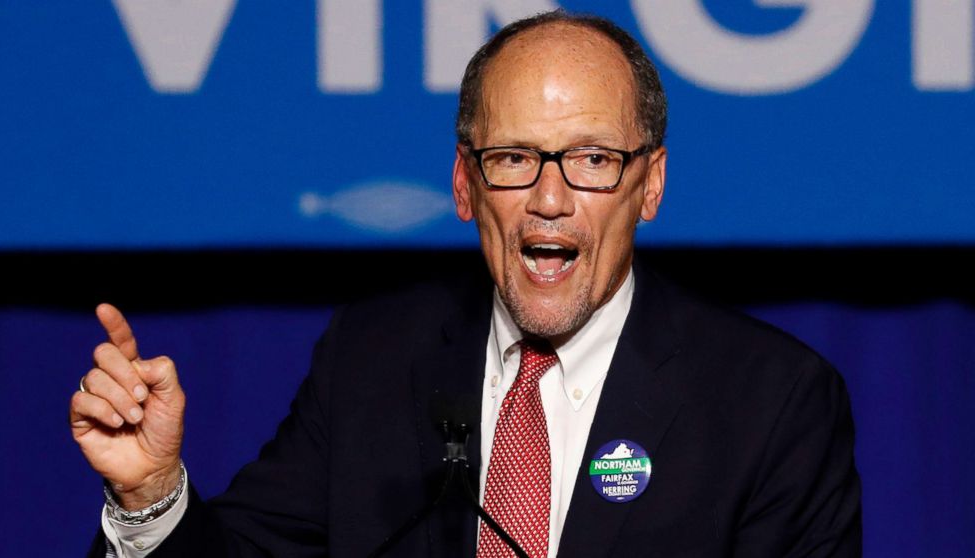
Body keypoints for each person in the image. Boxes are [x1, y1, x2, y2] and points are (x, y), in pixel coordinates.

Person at [70, 10, 861, 558]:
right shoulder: (373, 359)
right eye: (513, 158)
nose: (549, 199)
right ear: (464, 185)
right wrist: (152, 494)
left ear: (649, 186)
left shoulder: (770, 402)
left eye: (591, 159)